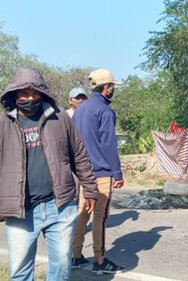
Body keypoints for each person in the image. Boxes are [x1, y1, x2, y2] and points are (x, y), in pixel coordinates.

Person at [0, 67, 97, 281]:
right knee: (20, 272)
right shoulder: (3, 123)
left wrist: (90, 189)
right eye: (24, 93)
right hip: (21, 210)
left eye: (35, 93)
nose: (30, 98)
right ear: (14, 94)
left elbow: (79, 153)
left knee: (61, 268)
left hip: (59, 205)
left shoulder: (59, 117)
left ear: (43, 93)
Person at [71, 68, 125, 275]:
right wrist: (117, 173)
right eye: (112, 86)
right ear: (107, 88)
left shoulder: (81, 109)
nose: (113, 89)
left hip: (82, 171)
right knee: (100, 217)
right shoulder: (105, 111)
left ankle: (75, 255)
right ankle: (100, 260)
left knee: (82, 214)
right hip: (101, 172)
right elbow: (108, 145)